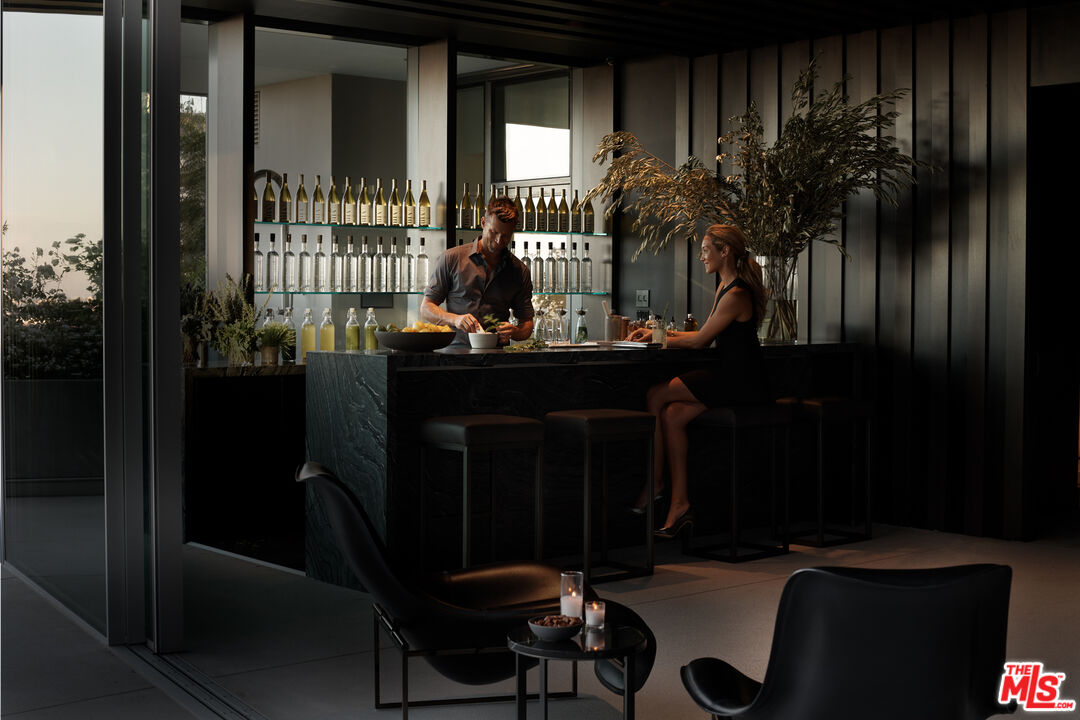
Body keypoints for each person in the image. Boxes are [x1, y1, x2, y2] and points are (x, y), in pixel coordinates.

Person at [627, 224, 769, 538]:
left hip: (741, 380)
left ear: (724, 251)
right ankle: (679, 503)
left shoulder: (737, 293)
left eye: (706, 250)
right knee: (673, 415)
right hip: (731, 376)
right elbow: (704, 333)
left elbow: (700, 342)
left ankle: (655, 481)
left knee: (656, 395)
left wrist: (658, 337)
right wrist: (657, 333)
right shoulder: (725, 286)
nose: (701, 256)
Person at [420, 196, 534, 346]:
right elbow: (426, 308)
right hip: (455, 353)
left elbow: (527, 324)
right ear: (483, 223)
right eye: (494, 232)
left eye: (506, 236)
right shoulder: (451, 258)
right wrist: (455, 319)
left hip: (498, 358)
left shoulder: (520, 271)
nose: (499, 240)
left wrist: (515, 332)